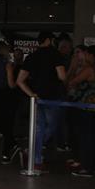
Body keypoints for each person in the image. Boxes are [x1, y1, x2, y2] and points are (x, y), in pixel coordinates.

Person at [16, 31, 66, 173]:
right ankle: (32, 153)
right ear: (49, 40)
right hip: (53, 97)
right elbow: (62, 76)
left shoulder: (32, 56)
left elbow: (20, 81)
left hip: (37, 99)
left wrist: (32, 95)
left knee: (39, 128)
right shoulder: (55, 54)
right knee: (51, 127)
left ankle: (36, 160)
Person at [67, 46, 95, 177]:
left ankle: (86, 167)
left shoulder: (89, 69)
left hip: (86, 106)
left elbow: (72, 82)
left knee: (86, 137)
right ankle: (91, 166)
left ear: (91, 55)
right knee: (92, 137)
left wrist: (72, 68)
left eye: (87, 54)